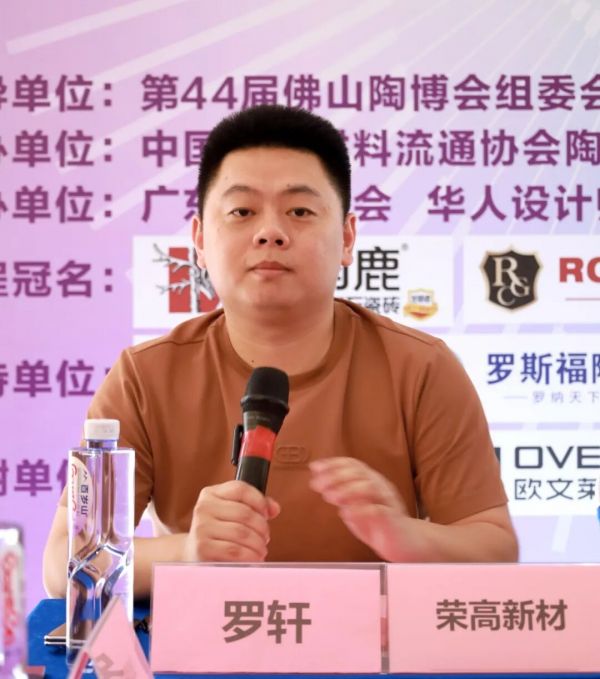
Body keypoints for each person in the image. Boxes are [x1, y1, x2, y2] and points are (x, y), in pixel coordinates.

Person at [43, 105, 518, 599]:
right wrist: (188, 552)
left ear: (347, 238)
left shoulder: (420, 367)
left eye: (300, 211)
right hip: (205, 637)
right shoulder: (145, 376)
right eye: (242, 211)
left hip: (374, 642)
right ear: (200, 240)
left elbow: (495, 547)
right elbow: (63, 563)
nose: (270, 232)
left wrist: (407, 538)